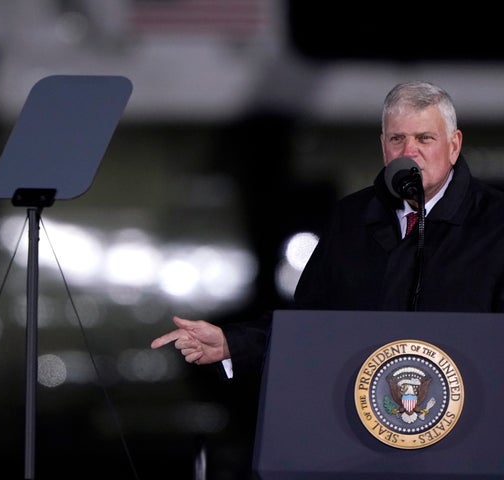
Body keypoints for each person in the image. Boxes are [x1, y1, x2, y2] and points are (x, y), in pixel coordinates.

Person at [151, 80, 504, 382]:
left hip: (471, 430)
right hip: (363, 430)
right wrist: (232, 343)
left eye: (424, 138)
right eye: (398, 139)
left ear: (453, 145)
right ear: (384, 147)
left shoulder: (496, 222)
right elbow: (311, 324)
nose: (409, 152)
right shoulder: (352, 217)